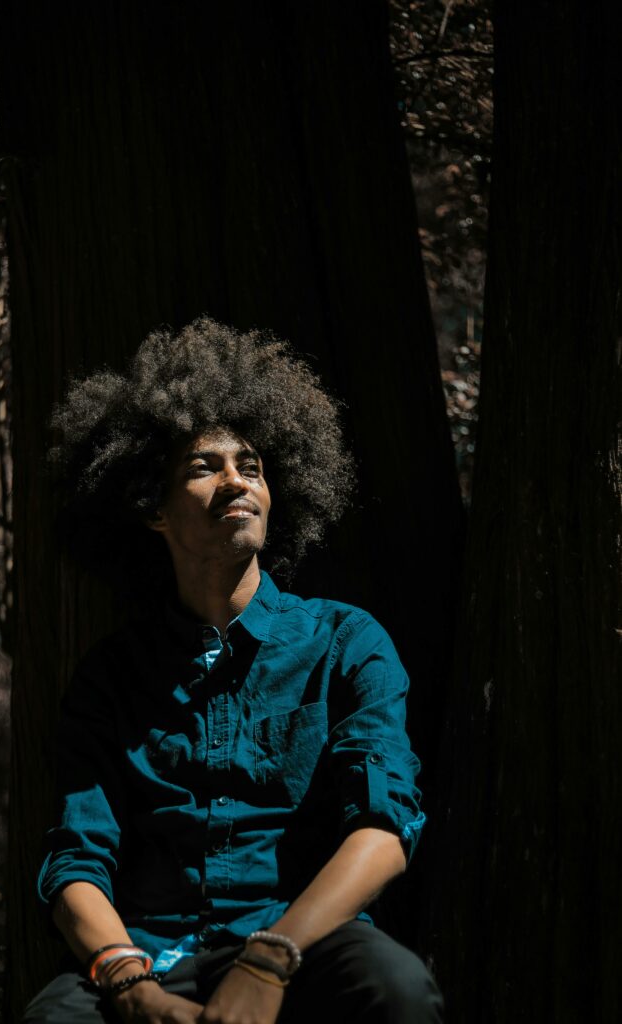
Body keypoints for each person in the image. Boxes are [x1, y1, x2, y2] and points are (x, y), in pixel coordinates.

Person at [24, 319, 444, 1023]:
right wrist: (130, 985)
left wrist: (271, 958)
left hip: (304, 948)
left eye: (250, 465)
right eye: (204, 467)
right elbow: (75, 861)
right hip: (148, 958)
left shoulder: (346, 642)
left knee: (396, 989)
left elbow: (383, 832)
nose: (235, 481)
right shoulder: (111, 677)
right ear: (152, 508)